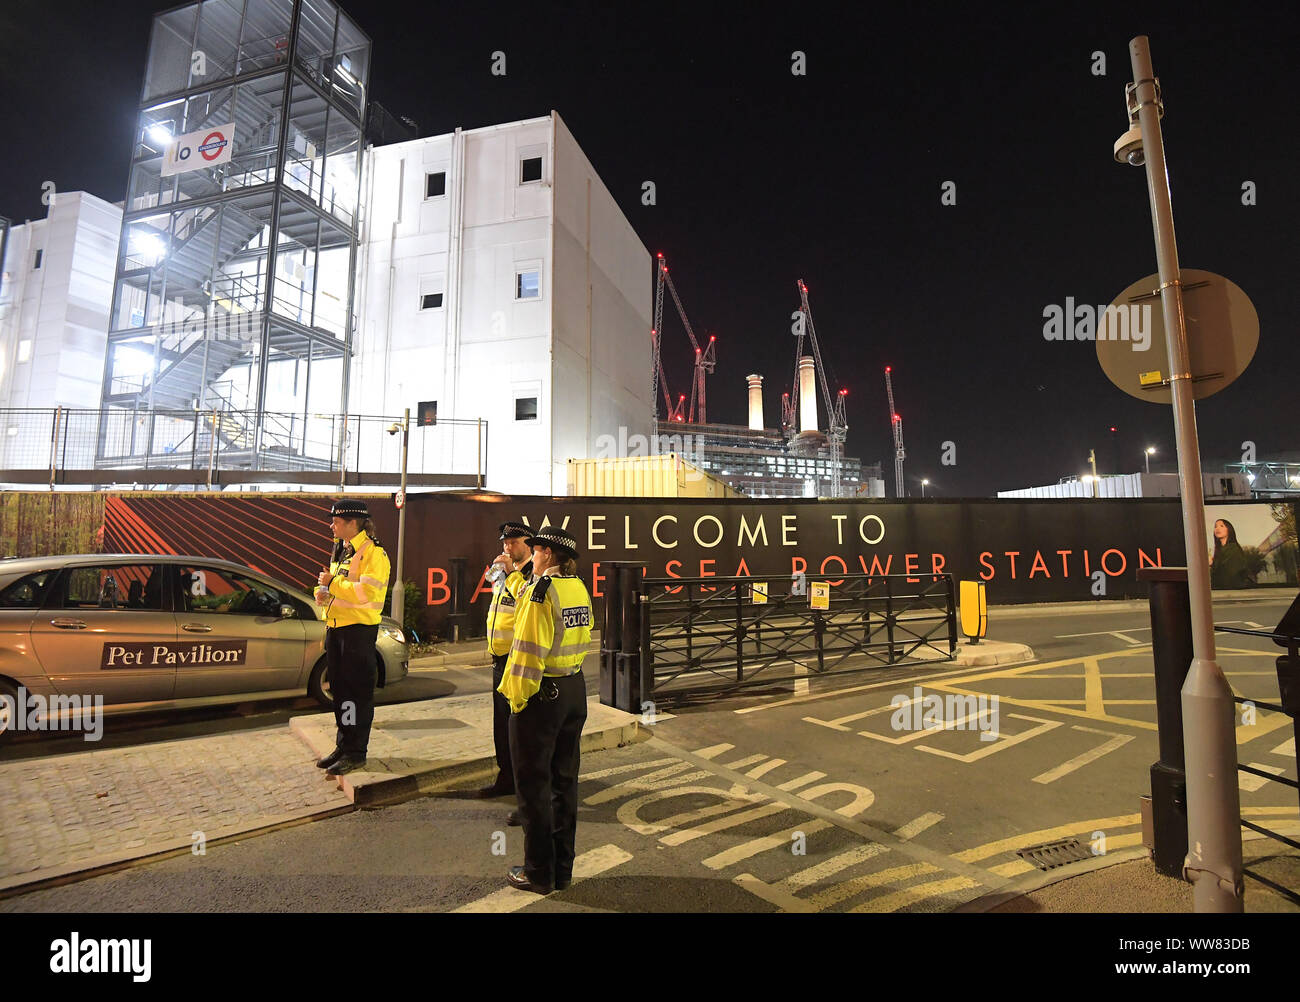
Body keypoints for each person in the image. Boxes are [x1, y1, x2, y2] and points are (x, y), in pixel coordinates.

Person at [498, 527, 591, 894]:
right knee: (564, 784)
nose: (532, 556)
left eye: (536, 551)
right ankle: (562, 870)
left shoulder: (542, 592)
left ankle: (538, 872)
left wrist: (516, 698)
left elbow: (527, 652)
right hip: (574, 689)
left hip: (542, 696)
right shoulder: (577, 588)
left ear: (548, 555)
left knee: (534, 789)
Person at [313, 499, 391, 775]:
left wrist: (332, 584)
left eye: (335, 521)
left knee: (357, 695)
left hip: (358, 633)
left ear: (351, 523)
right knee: (341, 693)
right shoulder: (343, 550)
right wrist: (321, 593)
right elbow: (335, 586)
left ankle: (357, 752)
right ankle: (344, 745)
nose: (331, 525)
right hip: (337, 629)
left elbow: (367, 595)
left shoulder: (373, 554)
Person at [479, 521, 534, 824]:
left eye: (513, 542)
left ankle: (526, 796)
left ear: (528, 543)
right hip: (499, 659)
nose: (507, 547)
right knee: (501, 725)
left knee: (519, 731)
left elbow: (525, 603)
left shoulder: (529, 573)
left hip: (518, 660)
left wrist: (511, 573)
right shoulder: (505, 572)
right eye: (505, 542)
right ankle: (506, 779)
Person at [1210, 517, 1252, 590]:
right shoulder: (1219, 550)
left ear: (1229, 529)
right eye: (1215, 526)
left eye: (1221, 526)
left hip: (1233, 591)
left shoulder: (1233, 549)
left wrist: (1212, 563)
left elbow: (1229, 574)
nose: (1217, 528)